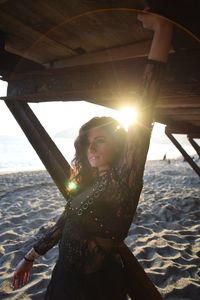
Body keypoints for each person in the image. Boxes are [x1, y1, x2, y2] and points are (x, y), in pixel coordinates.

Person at [12, 12, 173, 299]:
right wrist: (30, 256)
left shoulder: (124, 180)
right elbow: (65, 222)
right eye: (88, 142)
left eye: (101, 141)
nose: (92, 148)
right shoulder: (87, 182)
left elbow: (146, 102)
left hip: (98, 287)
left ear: (120, 146)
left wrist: (161, 29)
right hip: (63, 280)